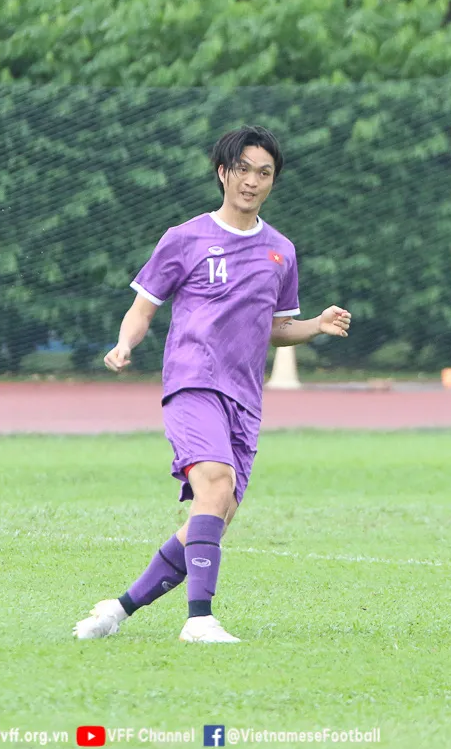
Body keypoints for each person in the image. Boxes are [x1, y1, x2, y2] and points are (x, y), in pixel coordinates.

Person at [73, 126, 351, 643]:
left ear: (273, 181)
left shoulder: (281, 251)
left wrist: (314, 325)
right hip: (192, 383)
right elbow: (144, 305)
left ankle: (118, 609)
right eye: (242, 169)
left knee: (214, 514)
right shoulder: (185, 237)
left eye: (263, 172)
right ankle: (198, 619)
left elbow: (274, 328)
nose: (252, 180)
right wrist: (125, 343)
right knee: (215, 486)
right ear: (223, 173)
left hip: (245, 399)